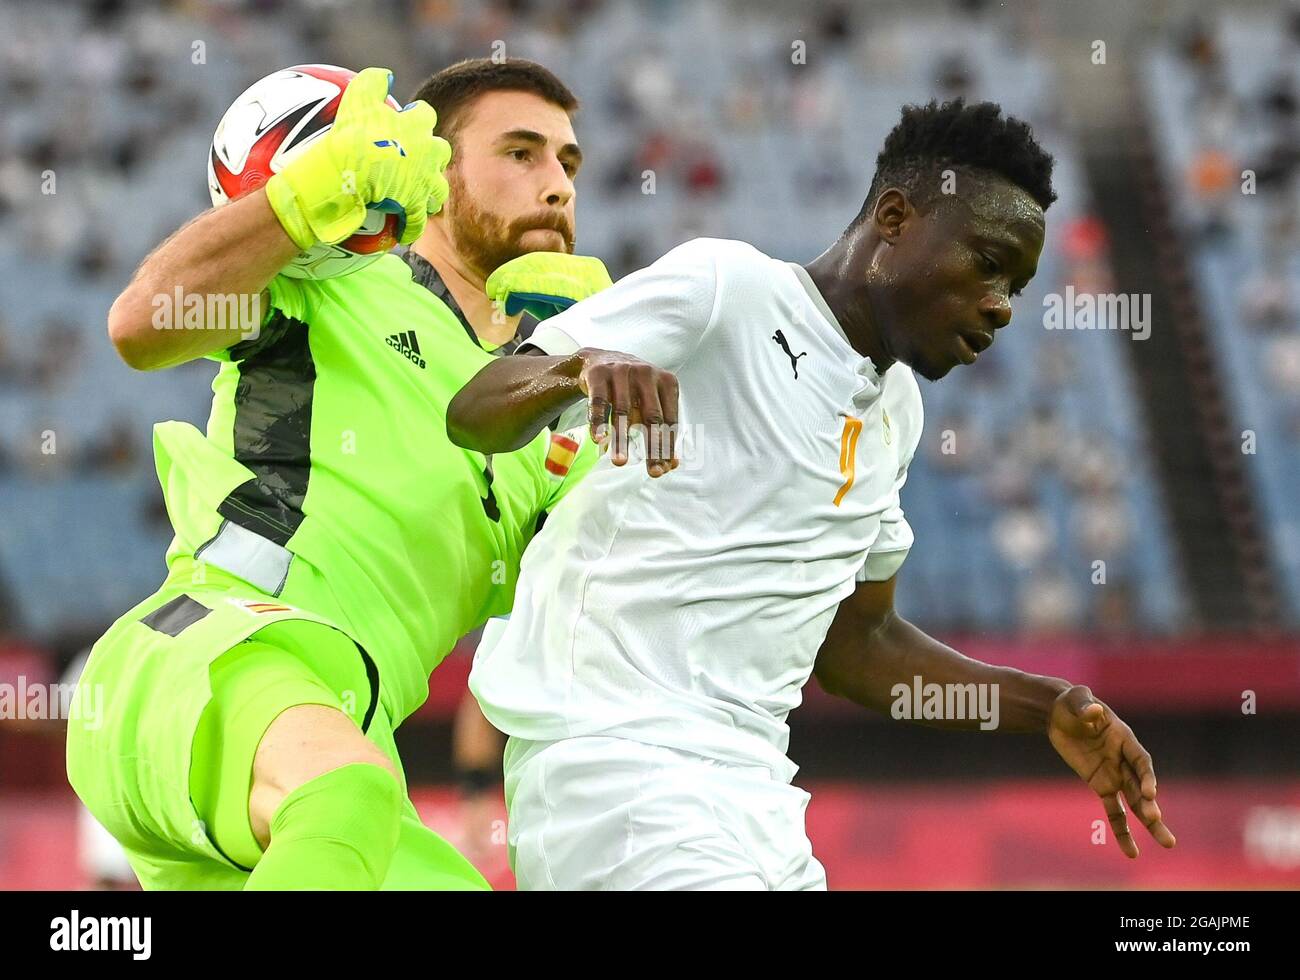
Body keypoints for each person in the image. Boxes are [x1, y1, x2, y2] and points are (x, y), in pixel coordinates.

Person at [448, 98, 1177, 890]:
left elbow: (859, 649)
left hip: (756, 800)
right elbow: (475, 410)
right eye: (988, 263)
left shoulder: (898, 412)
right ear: (895, 217)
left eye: (1018, 286)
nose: (1002, 304)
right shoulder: (728, 290)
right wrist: (578, 369)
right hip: (614, 770)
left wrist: (1046, 707)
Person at [66, 58, 663, 890]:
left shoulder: (549, 422)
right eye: (520, 153)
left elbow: (617, 619)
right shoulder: (335, 279)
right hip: (206, 658)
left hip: (340, 749)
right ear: (429, 170)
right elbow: (142, 325)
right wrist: (307, 196)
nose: (558, 184)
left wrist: (577, 372)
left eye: (568, 162)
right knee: (347, 792)